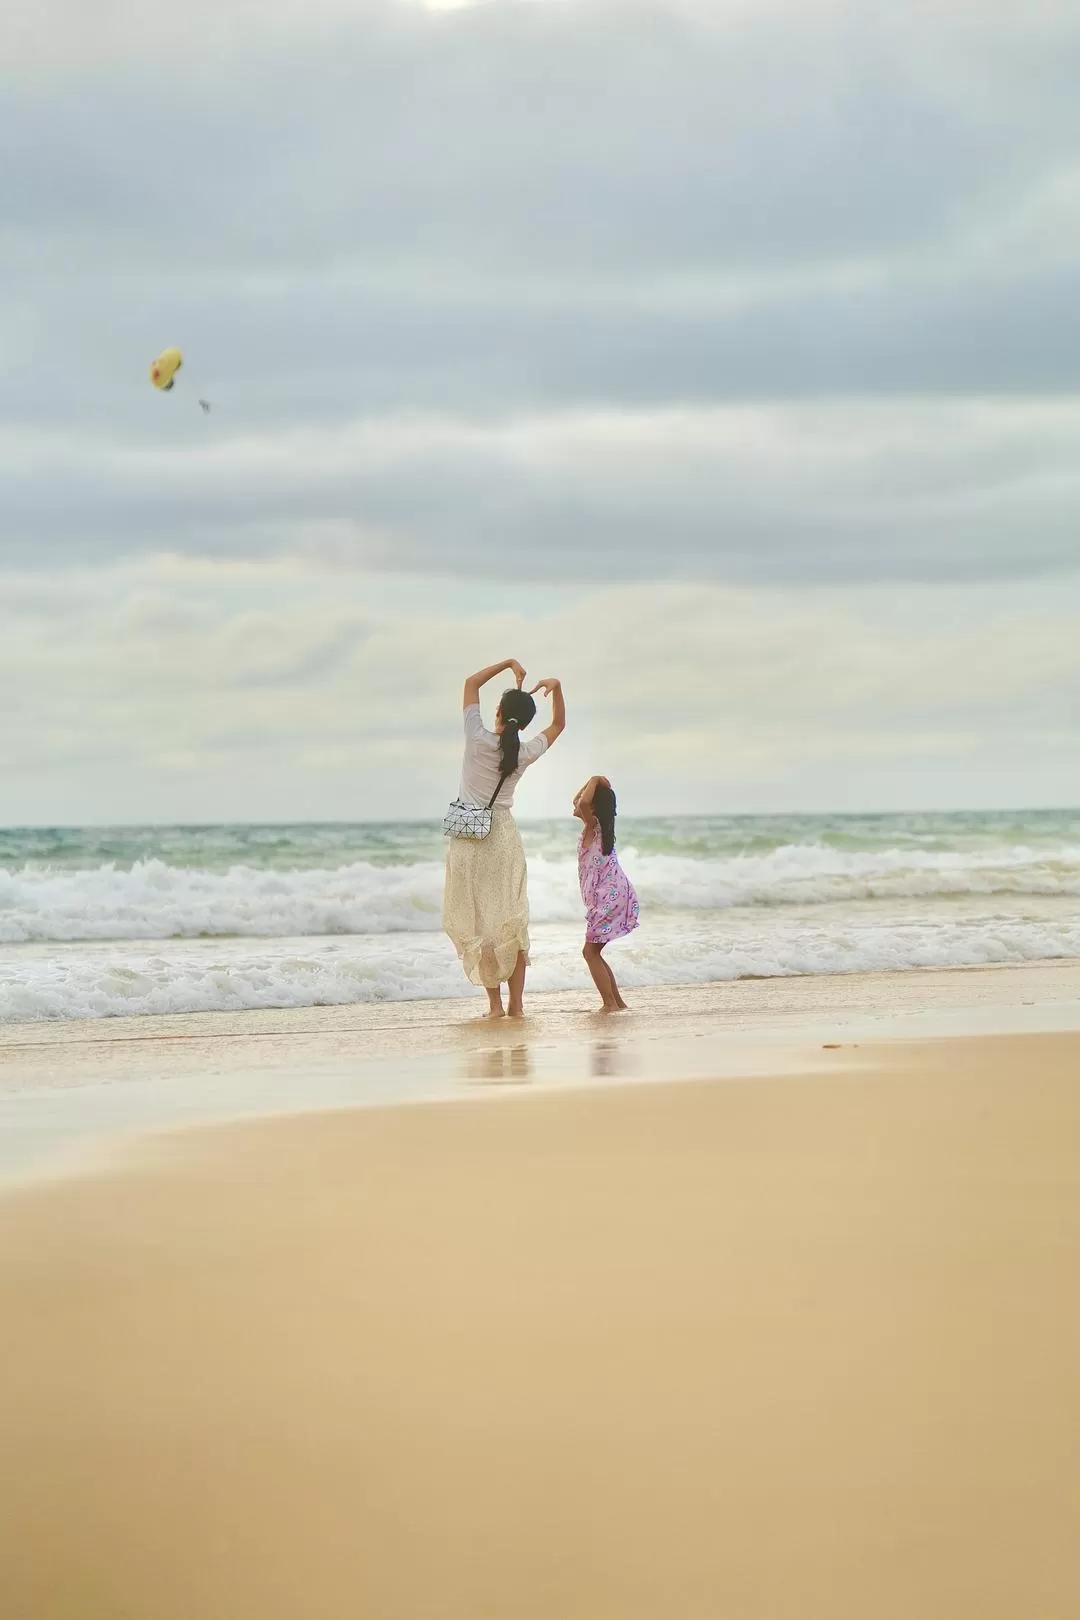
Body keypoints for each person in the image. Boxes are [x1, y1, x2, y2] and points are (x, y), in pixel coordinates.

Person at [443, 659, 565, 1018]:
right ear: (524, 724)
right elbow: (558, 724)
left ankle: (495, 1006)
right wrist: (557, 688)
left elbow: (470, 682)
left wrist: (509, 664)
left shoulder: (477, 737)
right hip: (503, 840)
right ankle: (517, 1005)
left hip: (469, 840)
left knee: (481, 926)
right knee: (510, 923)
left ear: (497, 711)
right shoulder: (524, 753)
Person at [573, 774, 639, 1012]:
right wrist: (594, 784)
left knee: (589, 952)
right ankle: (617, 1002)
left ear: (594, 808)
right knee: (594, 952)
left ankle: (609, 1003)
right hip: (614, 894)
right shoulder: (598, 828)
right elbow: (577, 802)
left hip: (608, 897)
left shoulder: (594, 827)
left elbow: (581, 803)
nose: (580, 803)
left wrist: (594, 779)